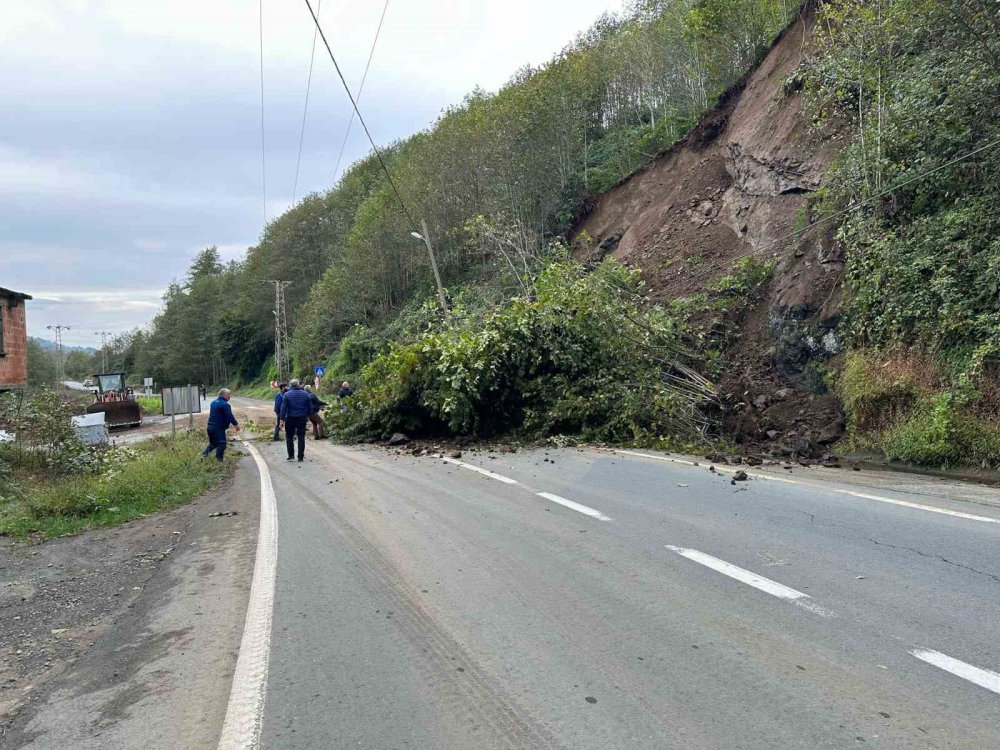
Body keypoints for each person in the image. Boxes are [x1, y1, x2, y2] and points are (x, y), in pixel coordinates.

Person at [202, 388, 240, 462]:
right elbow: (229, 416)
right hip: (218, 428)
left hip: (210, 427)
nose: (230, 396)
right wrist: (236, 425)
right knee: (222, 444)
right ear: (223, 394)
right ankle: (219, 461)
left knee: (213, 444)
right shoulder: (225, 405)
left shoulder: (213, 402)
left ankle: (203, 455)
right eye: (228, 394)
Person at [279, 379, 313, 462]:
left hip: (290, 418)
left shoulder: (287, 395)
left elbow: (283, 408)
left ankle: (291, 455)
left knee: (289, 437)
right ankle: (300, 457)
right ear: (298, 385)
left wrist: (282, 420)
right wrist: (308, 416)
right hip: (302, 418)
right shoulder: (305, 394)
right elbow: (309, 407)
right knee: (301, 437)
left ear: (290, 385)